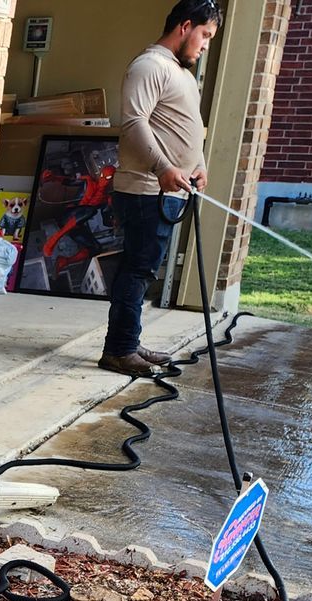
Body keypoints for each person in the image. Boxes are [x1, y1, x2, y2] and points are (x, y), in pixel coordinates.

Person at [100, 0, 219, 377]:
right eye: (205, 35)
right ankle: (118, 350)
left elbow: (181, 128)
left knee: (144, 270)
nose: (205, 45)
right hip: (145, 189)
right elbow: (134, 122)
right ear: (185, 26)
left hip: (167, 191)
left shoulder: (178, 72)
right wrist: (164, 167)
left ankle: (128, 343)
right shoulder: (149, 66)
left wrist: (197, 165)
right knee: (136, 271)